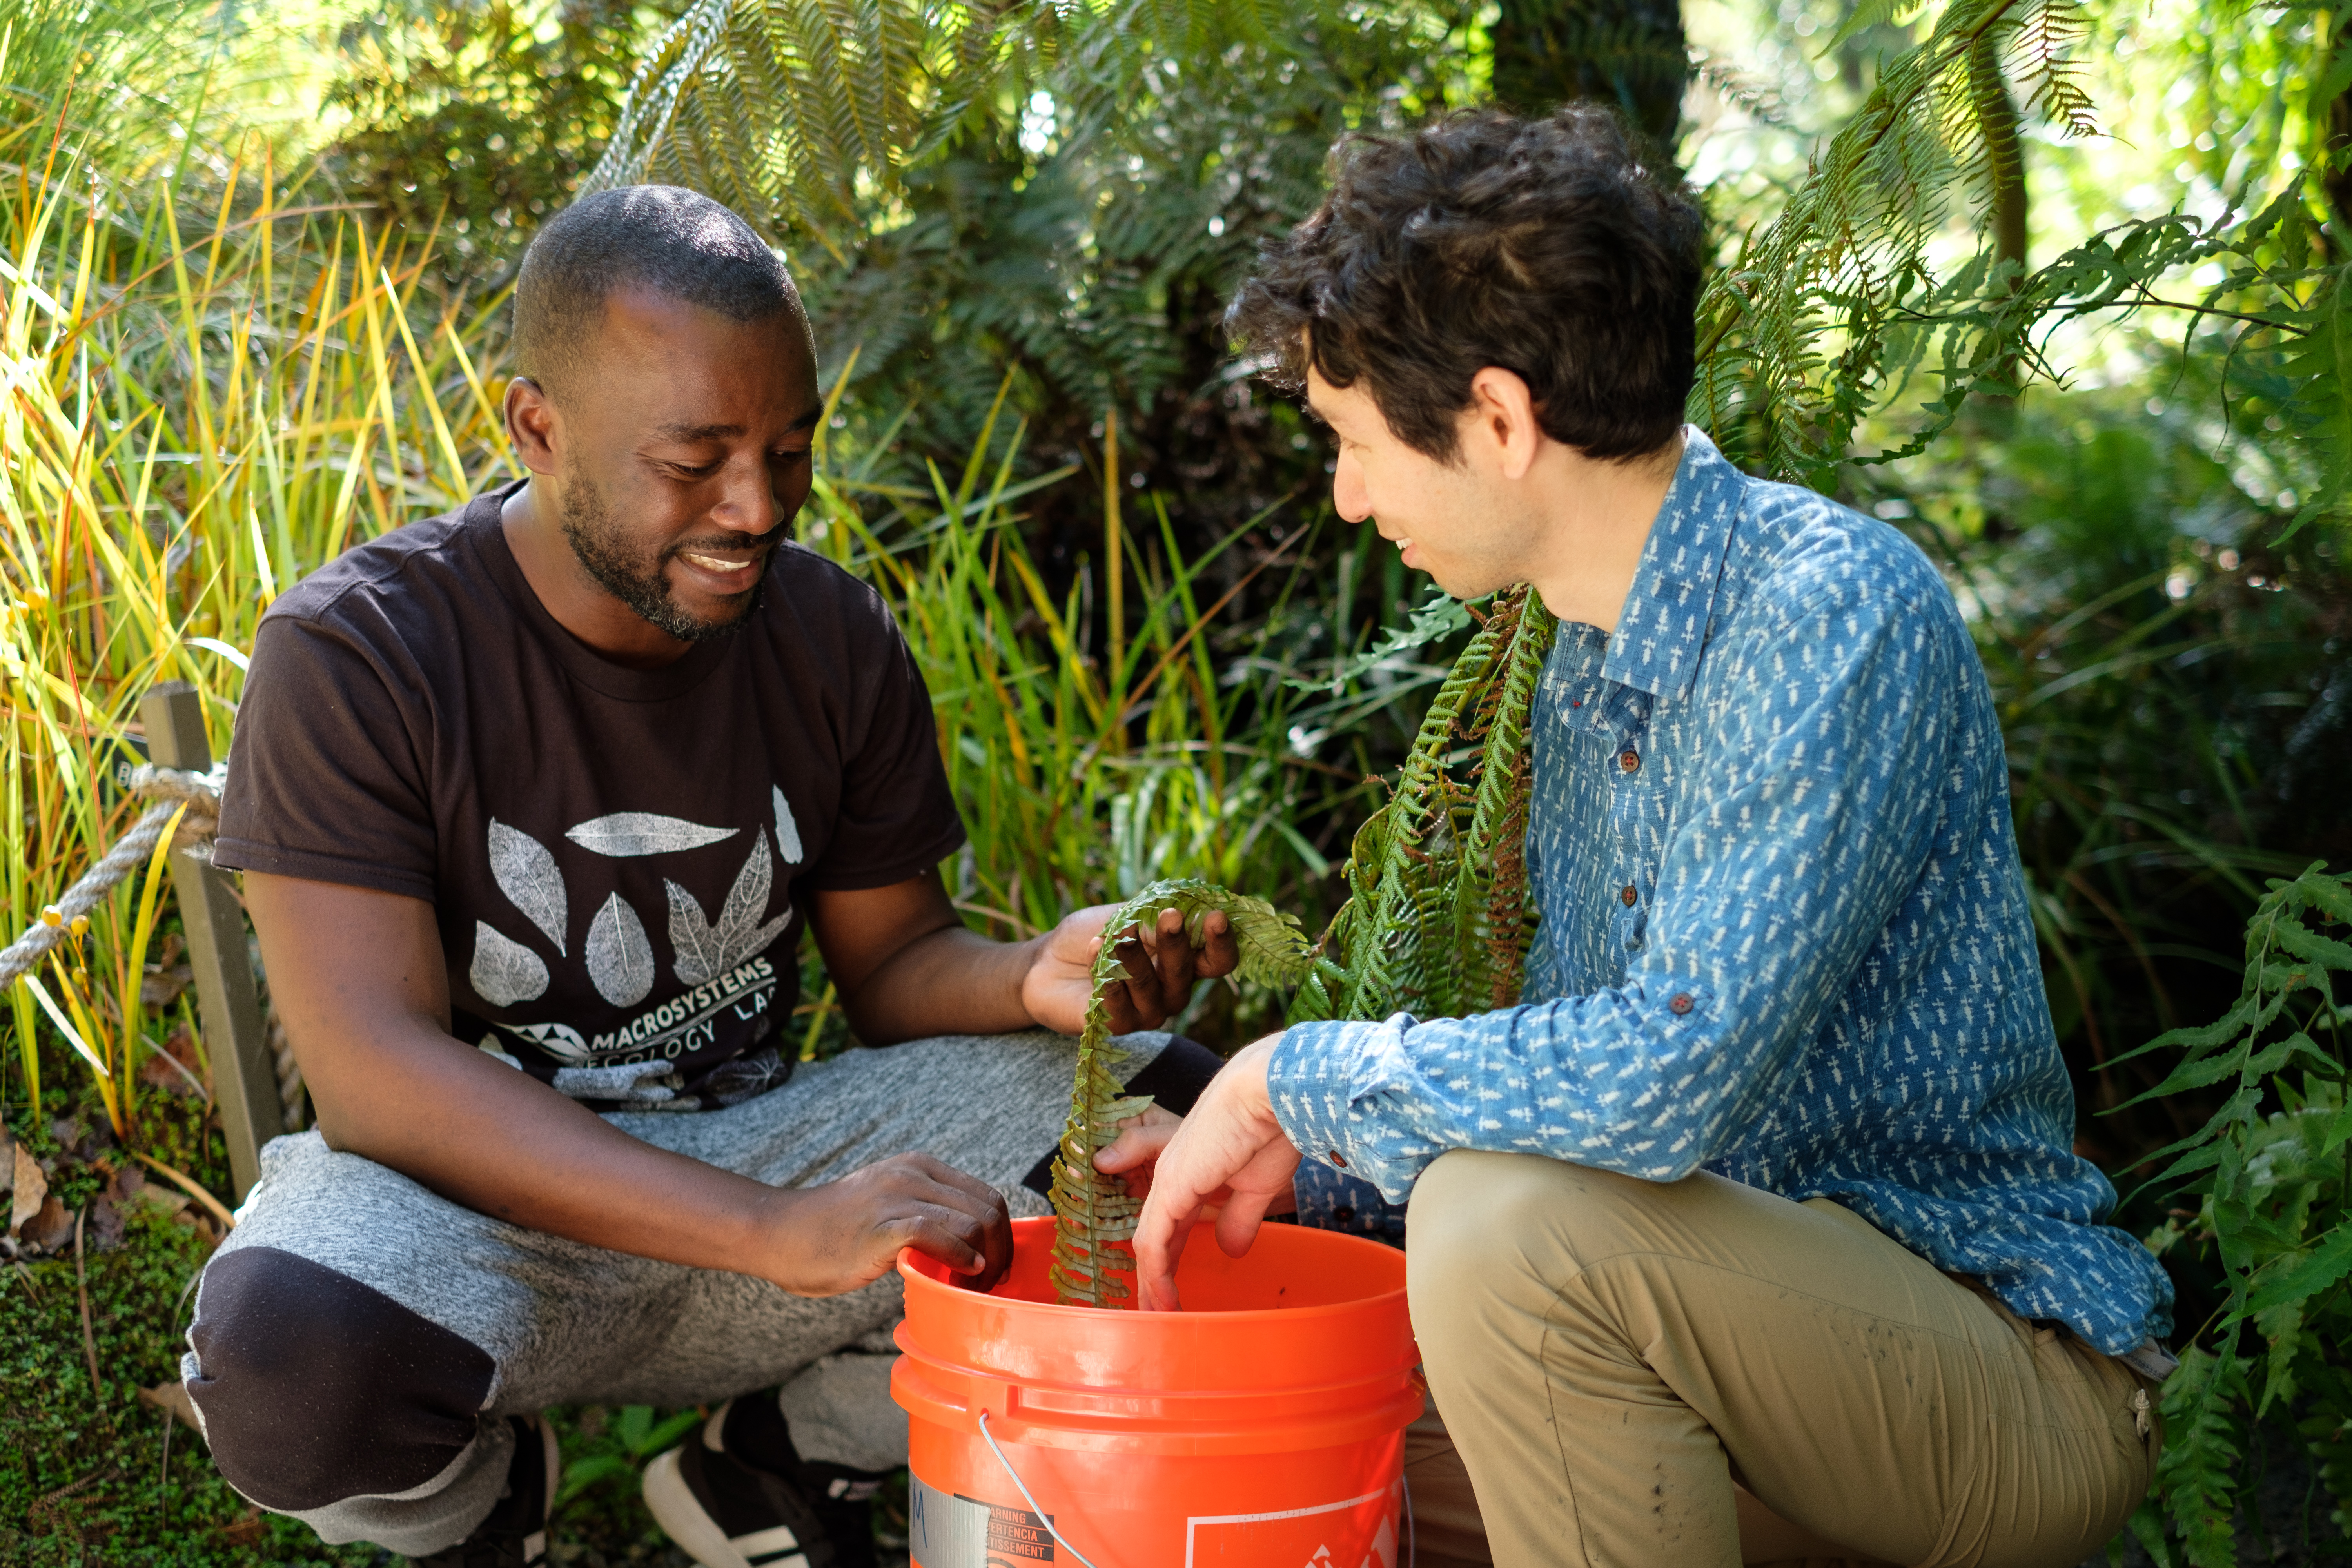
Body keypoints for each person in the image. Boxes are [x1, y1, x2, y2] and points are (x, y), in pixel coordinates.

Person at [1105, 105, 2176, 1568]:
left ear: (1499, 419)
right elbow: (1581, 1101)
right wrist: (1301, 1163)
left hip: (1994, 1385)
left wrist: (1299, 1075)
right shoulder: (1587, 655)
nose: (1349, 496)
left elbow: (1663, 1083)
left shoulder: (1828, 616)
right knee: (1251, 1439)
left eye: (1353, 443)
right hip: (1733, 1383)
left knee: (1495, 1230)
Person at [177, 184, 1240, 1568]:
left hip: (765, 1154)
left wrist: (1027, 975)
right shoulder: (361, 655)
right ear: (537, 425)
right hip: (478, 1218)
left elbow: (897, 971)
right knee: (284, 1362)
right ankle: (482, 1515)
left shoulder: (826, 633)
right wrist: (773, 1229)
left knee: (1170, 1116)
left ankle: (785, 1470)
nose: (756, 507)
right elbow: (374, 1077)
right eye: (696, 459)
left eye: (789, 450)